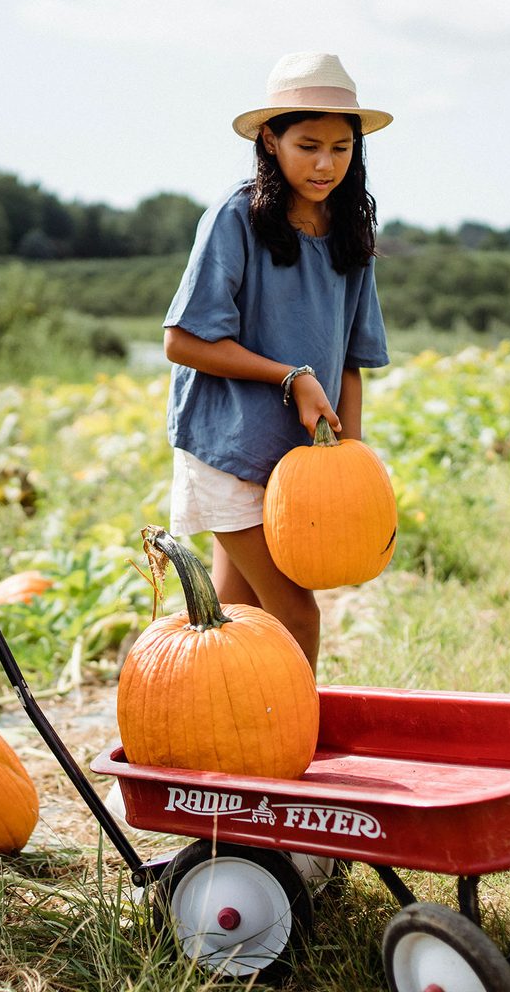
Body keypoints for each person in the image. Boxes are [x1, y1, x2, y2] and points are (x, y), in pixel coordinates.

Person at [163, 52, 392, 672]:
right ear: (271, 139)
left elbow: (351, 358)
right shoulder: (236, 219)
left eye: (341, 149)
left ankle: (224, 750)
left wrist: (352, 462)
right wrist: (290, 376)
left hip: (295, 468)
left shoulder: (349, 230)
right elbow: (182, 341)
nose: (325, 164)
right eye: (308, 145)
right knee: (295, 615)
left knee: (237, 628)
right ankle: (295, 754)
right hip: (229, 446)